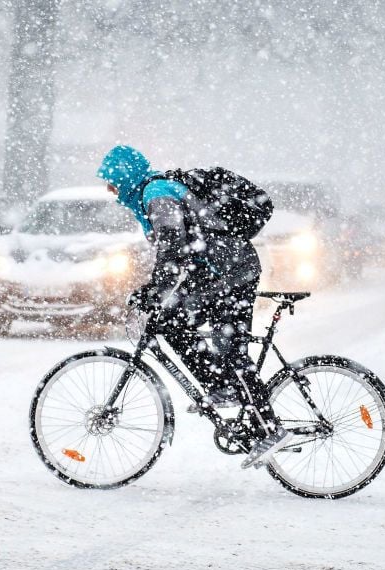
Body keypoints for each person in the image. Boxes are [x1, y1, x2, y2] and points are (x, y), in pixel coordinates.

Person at [96, 145, 290, 468]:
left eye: (112, 181)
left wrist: (155, 291)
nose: (109, 189)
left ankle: (270, 428)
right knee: (172, 321)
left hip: (231, 273)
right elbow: (180, 249)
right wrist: (158, 291)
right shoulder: (152, 193)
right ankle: (221, 386)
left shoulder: (156, 193)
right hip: (218, 274)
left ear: (125, 176)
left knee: (230, 350)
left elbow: (173, 245)